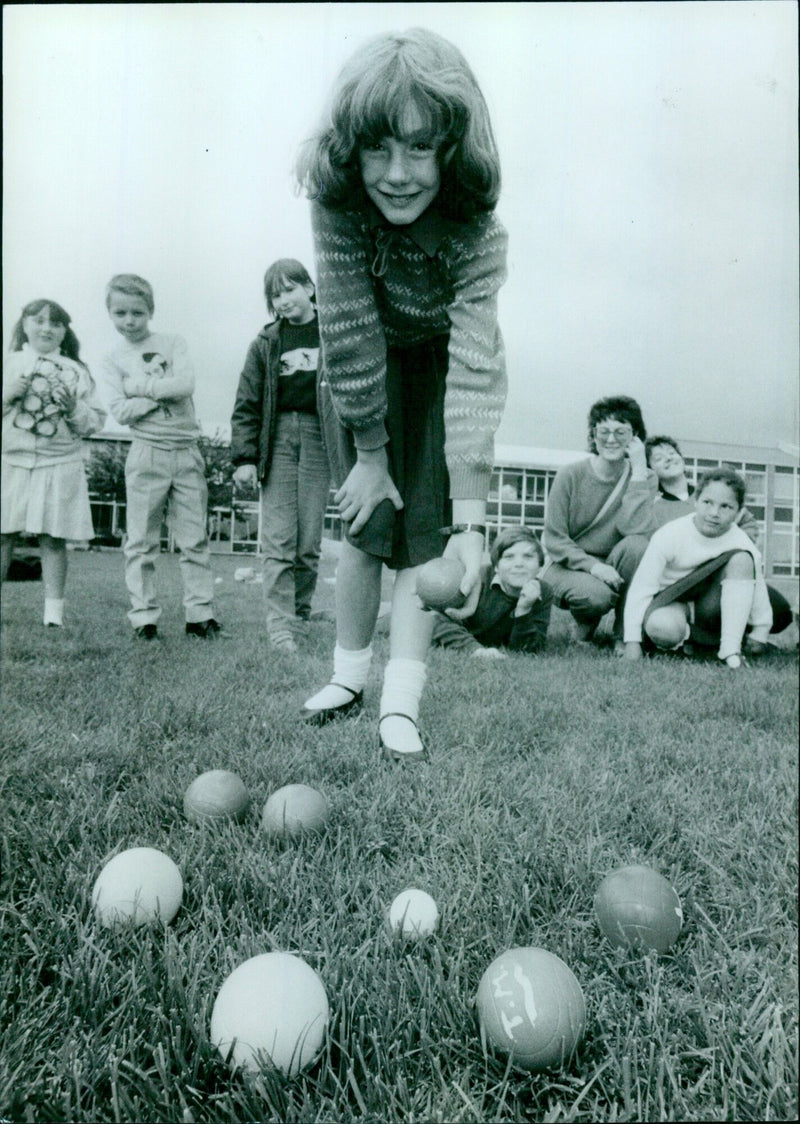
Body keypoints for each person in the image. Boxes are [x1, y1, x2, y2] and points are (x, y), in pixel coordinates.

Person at [294, 28, 508, 759]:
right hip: (362, 378)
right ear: (352, 148)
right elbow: (348, 329)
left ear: (453, 147)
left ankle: (401, 704)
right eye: (379, 147)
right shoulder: (340, 208)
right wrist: (371, 453)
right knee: (363, 529)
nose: (397, 172)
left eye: (420, 148)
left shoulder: (478, 233)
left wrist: (472, 522)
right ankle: (349, 677)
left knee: (425, 546)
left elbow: (478, 363)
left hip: (440, 379)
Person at [103, 273, 220, 640]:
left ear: (150, 310)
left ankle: (200, 618)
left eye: (137, 312)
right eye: (120, 313)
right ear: (110, 313)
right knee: (140, 540)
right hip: (146, 453)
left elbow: (185, 385)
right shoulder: (112, 359)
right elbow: (120, 411)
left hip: (186, 451)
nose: (129, 321)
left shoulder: (172, 342)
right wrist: (161, 394)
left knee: (194, 539)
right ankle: (144, 620)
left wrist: (140, 388)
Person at [230, 259, 330, 652]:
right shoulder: (266, 343)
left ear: (309, 287)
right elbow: (246, 403)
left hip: (321, 440)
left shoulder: (333, 333)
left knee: (308, 543)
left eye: (289, 289)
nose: (283, 300)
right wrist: (244, 458)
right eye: (275, 294)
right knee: (279, 541)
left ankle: (300, 616)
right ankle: (281, 627)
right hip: (279, 439)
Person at [1, 299, 106, 625]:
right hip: (11, 459)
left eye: (56, 323)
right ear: (24, 325)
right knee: (3, 535)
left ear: (65, 331)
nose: (47, 328)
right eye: (39, 320)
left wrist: (74, 407)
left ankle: (53, 615)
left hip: (58, 462)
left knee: (53, 537)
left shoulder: (77, 371)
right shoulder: (9, 364)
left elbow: (94, 422)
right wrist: (7, 395)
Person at [645, 435, 792, 641]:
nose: (669, 459)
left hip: (727, 574)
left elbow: (747, 522)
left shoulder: (714, 491)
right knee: (671, 624)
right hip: (686, 586)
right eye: (659, 458)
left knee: (780, 611)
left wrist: (730, 551)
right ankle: (703, 637)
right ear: (650, 470)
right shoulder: (655, 508)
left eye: (672, 453)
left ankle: (732, 633)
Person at [623, 466, 773, 668]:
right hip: (670, 600)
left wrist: (760, 633)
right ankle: (699, 642)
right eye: (707, 502)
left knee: (742, 559)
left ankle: (730, 649)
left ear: (738, 512)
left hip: (710, 605)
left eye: (726, 507)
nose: (714, 513)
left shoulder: (741, 541)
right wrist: (632, 641)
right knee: (661, 627)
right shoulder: (670, 534)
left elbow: (758, 589)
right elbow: (642, 587)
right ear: (695, 501)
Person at [542, 395, 657, 650]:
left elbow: (635, 531)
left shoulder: (645, 477)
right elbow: (555, 540)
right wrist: (595, 567)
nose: (611, 439)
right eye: (603, 431)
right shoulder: (569, 475)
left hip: (615, 563)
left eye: (620, 431)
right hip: (568, 565)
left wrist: (638, 470)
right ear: (593, 435)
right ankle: (584, 627)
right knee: (596, 596)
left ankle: (624, 635)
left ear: (635, 436)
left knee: (638, 546)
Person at [430, 526, 552, 657]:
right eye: (509, 557)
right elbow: (437, 620)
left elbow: (527, 650)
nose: (519, 564)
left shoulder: (543, 591)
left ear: (540, 565)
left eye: (528, 556)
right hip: (468, 637)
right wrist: (474, 649)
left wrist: (523, 610)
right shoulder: (477, 580)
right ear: (496, 567)